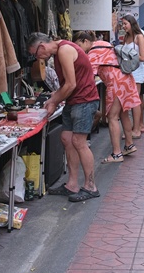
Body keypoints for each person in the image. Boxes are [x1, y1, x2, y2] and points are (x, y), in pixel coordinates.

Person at [27, 32, 101, 202]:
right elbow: (68, 84)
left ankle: (91, 186)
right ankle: (72, 184)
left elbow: (71, 84)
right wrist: (56, 97)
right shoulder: (59, 52)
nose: (37, 58)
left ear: (42, 46)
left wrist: (54, 101)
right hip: (73, 101)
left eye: (35, 54)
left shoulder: (64, 50)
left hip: (84, 100)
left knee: (79, 142)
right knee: (67, 139)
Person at [73, 31, 138, 163]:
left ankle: (116, 154)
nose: (79, 50)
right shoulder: (104, 44)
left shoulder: (92, 52)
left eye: (78, 45)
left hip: (115, 82)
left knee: (112, 117)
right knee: (124, 113)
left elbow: (88, 76)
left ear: (85, 41)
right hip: (127, 79)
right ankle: (129, 145)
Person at [119, 14, 144, 137]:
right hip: (127, 71)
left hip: (137, 71)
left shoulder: (139, 37)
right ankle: (131, 127)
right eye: (123, 24)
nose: (123, 26)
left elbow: (143, 57)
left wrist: (127, 56)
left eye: (125, 24)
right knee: (128, 100)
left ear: (132, 23)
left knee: (135, 100)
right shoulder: (126, 37)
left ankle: (136, 129)